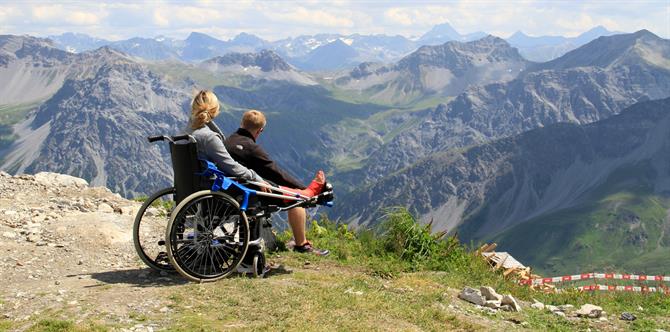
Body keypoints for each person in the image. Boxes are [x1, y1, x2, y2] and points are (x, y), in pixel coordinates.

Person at [225, 110, 330, 256]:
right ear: (260, 131)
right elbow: (275, 172)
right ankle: (302, 244)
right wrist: (301, 187)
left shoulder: (227, 141)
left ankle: (304, 195)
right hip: (249, 192)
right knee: (297, 199)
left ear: (241, 123)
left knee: (287, 192)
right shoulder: (251, 148)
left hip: (232, 188)